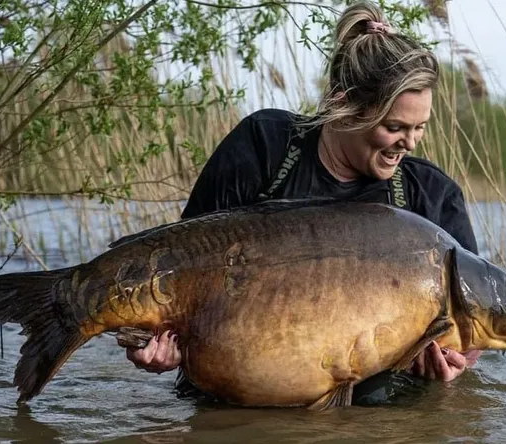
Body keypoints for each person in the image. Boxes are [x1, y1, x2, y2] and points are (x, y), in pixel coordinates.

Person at [125, 0, 483, 405]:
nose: (411, 142)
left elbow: (478, 321)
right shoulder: (265, 147)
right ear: (341, 103)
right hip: (232, 399)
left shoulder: (432, 197)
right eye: (394, 127)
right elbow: (182, 264)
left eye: (420, 127)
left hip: (372, 414)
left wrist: (458, 362)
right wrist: (158, 341)